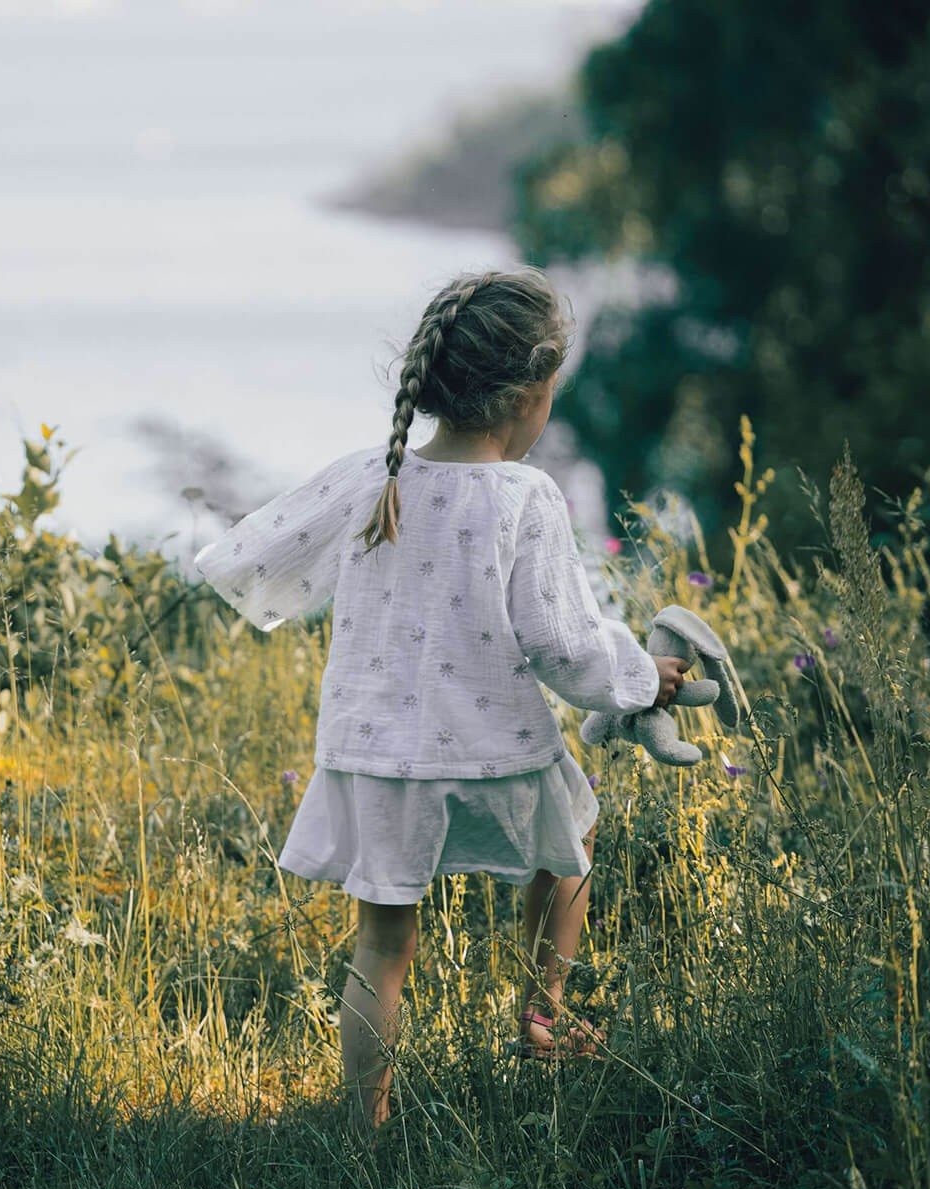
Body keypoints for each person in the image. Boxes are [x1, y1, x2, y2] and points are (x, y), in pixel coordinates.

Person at [192, 267, 689, 1127]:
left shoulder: (370, 476)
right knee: (568, 838)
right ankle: (543, 1015)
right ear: (529, 396)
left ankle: (365, 1130)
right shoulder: (524, 496)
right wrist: (643, 676)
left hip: (374, 758)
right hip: (495, 747)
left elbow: (253, 557)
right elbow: (565, 646)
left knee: (381, 948)